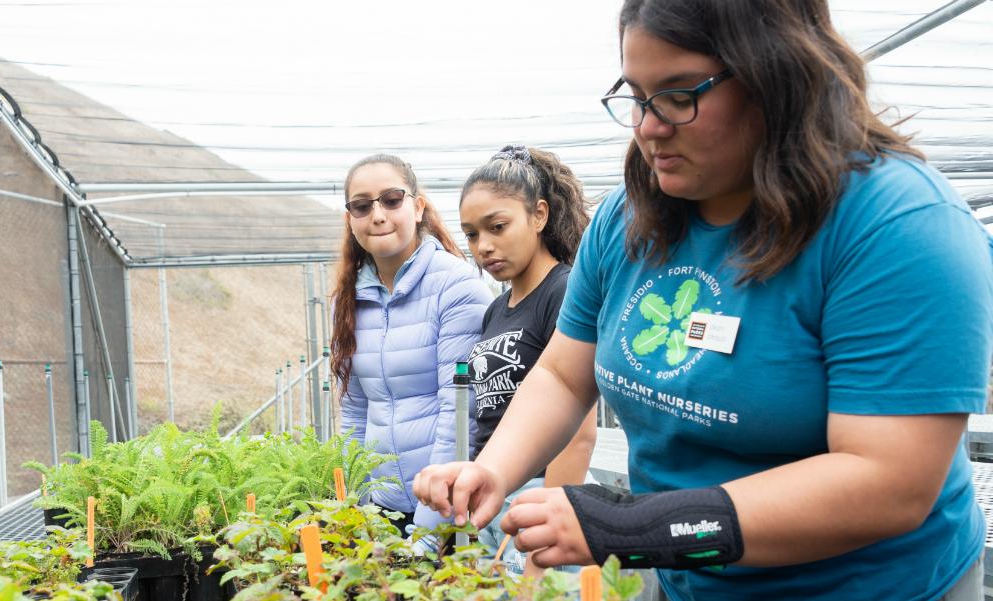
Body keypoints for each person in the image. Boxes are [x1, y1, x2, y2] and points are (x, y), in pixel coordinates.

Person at [413, 1, 993, 599]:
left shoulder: (897, 226)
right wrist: (493, 469)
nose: (648, 126)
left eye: (679, 94)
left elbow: (887, 483)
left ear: (779, 78)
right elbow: (562, 374)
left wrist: (631, 525)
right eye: (636, 96)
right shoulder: (626, 220)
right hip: (687, 576)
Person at [331, 153, 492, 535]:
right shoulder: (348, 300)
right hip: (381, 513)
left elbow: (460, 416)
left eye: (391, 199)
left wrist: (429, 529)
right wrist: (352, 507)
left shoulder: (456, 287)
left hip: (446, 509)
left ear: (418, 207)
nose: (378, 214)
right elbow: (354, 414)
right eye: (362, 205)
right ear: (350, 218)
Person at [458, 144, 600, 576]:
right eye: (471, 234)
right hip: (498, 499)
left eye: (497, 226)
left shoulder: (564, 292)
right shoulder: (496, 309)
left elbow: (578, 433)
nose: (484, 246)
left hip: (544, 503)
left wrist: (542, 557)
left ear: (539, 215)